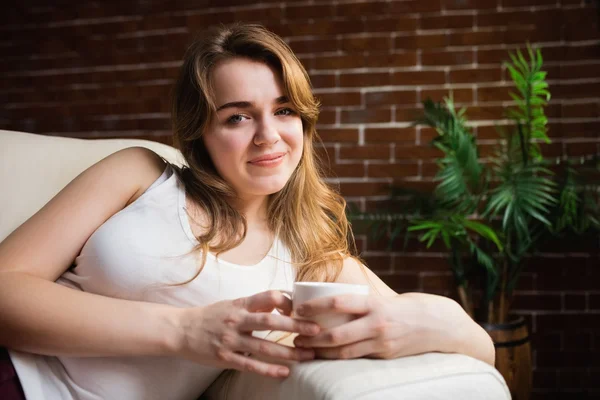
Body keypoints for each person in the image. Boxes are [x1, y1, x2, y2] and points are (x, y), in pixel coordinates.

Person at [0, 23, 495, 400]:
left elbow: (478, 347)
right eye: (237, 116)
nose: (268, 135)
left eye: (284, 110)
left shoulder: (313, 257)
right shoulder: (140, 174)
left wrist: (444, 315)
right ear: (200, 133)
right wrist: (186, 331)